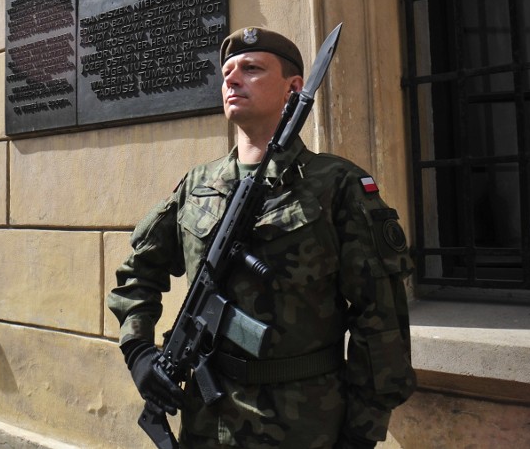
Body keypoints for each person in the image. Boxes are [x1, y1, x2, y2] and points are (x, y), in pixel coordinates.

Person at [107, 27, 416, 448]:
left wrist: (361, 433)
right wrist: (140, 352)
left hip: (303, 423)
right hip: (205, 420)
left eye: (251, 69)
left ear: (293, 89)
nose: (232, 79)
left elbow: (380, 318)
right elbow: (138, 273)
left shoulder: (336, 184)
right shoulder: (198, 184)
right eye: (227, 72)